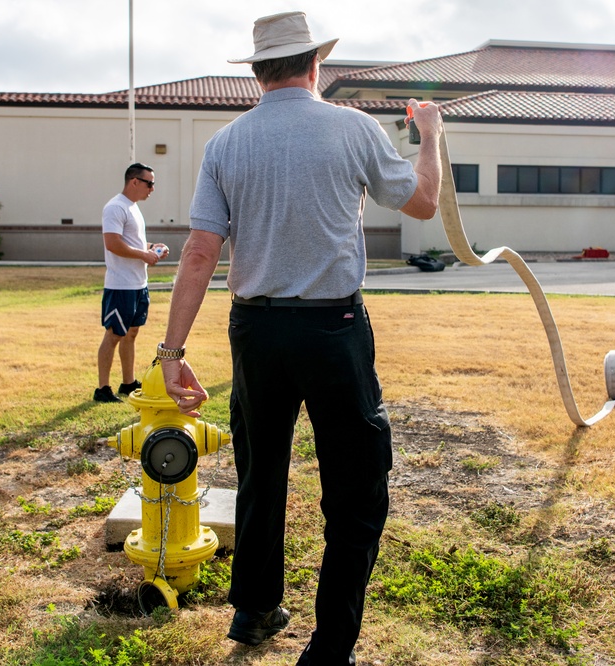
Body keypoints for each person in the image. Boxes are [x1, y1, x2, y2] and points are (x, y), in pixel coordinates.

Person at [157, 11, 443, 665]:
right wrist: (428, 135)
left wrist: (171, 355)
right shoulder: (352, 128)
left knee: (262, 473)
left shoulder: (226, 143)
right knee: (356, 484)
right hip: (332, 326)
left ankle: (255, 611)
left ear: (257, 71)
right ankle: (329, 646)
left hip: (254, 328)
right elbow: (424, 203)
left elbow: (200, 252)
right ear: (315, 64)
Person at [94, 163, 168, 403]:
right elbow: (113, 244)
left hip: (138, 284)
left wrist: (153, 248)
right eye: (150, 183)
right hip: (120, 285)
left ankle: (128, 383)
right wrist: (144, 255)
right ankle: (103, 389)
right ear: (134, 181)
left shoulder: (133, 208)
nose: (152, 188)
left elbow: (133, 244)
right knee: (114, 334)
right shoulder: (115, 207)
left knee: (132, 333)